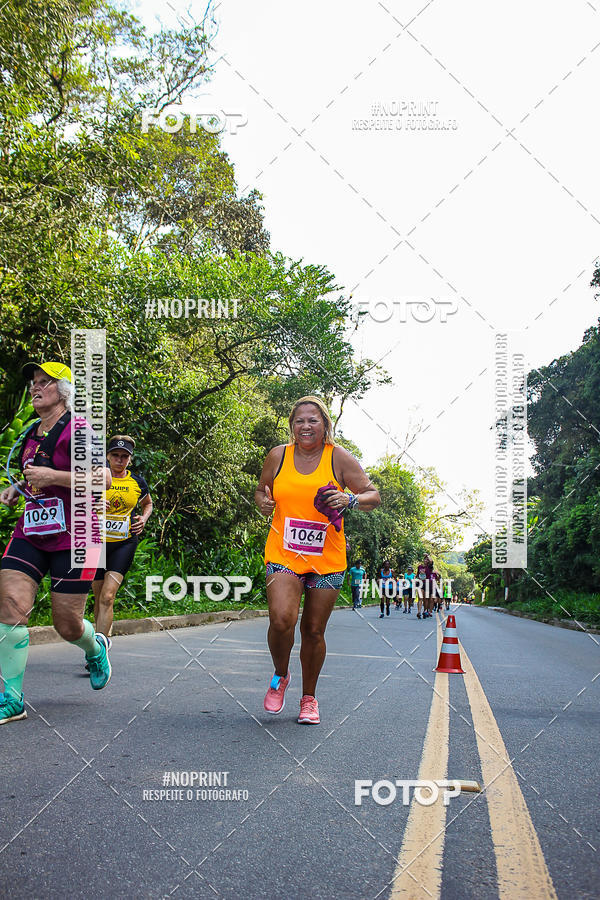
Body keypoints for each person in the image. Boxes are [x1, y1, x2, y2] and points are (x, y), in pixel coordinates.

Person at [255, 396, 380, 725]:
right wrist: (263, 503)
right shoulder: (278, 455)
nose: (306, 426)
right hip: (284, 553)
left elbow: (373, 496)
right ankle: (280, 675)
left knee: (313, 631)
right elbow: (261, 490)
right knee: (282, 620)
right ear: (292, 425)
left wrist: (349, 498)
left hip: (327, 558)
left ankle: (309, 698)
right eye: (299, 421)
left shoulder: (338, 457)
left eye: (313, 420)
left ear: (325, 424)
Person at [0, 362, 112, 724]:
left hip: (77, 534)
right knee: (10, 605)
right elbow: (35, 476)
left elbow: (103, 480)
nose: (36, 388)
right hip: (32, 531)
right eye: (33, 382)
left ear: (62, 391)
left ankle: (95, 648)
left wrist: (53, 476)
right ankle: (12, 698)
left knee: (67, 624)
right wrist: (17, 488)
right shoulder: (32, 433)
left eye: (44, 382)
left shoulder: (79, 430)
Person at [91, 435, 152, 644]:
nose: (119, 460)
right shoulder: (95, 479)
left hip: (123, 543)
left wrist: (143, 519)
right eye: (115, 455)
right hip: (96, 543)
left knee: (108, 596)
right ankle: (102, 637)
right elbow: (77, 505)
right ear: (107, 456)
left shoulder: (137, 482)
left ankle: (99, 650)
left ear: (130, 459)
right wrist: (93, 507)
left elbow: (148, 504)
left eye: (124, 456)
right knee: (99, 597)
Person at [416, 554, 434, 619]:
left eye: (427, 560)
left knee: (426, 599)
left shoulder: (429, 567)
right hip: (420, 583)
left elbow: (431, 561)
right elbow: (418, 574)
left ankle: (425, 610)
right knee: (420, 598)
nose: (426, 560)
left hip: (427, 584)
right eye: (425, 559)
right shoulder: (420, 567)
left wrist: (428, 555)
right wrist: (417, 579)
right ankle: (419, 612)